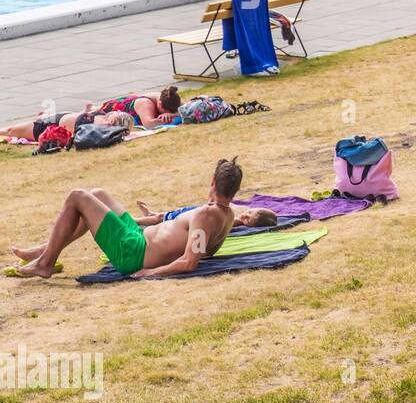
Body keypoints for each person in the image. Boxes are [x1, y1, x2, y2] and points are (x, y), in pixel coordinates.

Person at [8, 157, 242, 279]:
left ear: (212, 182)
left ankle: (45, 263)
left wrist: (151, 273)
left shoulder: (205, 216)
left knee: (77, 196)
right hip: (138, 238)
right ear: (234, 190)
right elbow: (201, 248)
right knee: (97, 194)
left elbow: (190, 261)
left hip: (135, 253)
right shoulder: (227, 214)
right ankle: (46, 249)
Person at [1, 109, 131, 142]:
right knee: (12, 130)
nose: (113, 113)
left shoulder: (102, 129)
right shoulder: (102, 116)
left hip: (49, 127)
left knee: (10, 130)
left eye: (115, 115)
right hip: (56, 119)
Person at [134, 200, 277, 229]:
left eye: (249, 220)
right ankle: (150, 214)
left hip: (196, 215)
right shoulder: (238, 214)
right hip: (197, 211)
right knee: (167, 214)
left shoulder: (234, 221)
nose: (245, 215)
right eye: (249, 212)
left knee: (162, 219)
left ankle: (137, 220)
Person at [98, 86, 182, 129]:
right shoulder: (145, 104)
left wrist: (172, 115)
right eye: (166, 111)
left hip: (131, 99)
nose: (169, 113)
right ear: (160, 104)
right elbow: (149, 124)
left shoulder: (172, 98)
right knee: (97, 112)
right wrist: (164, 120)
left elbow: (186, 109)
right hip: (115, 106)